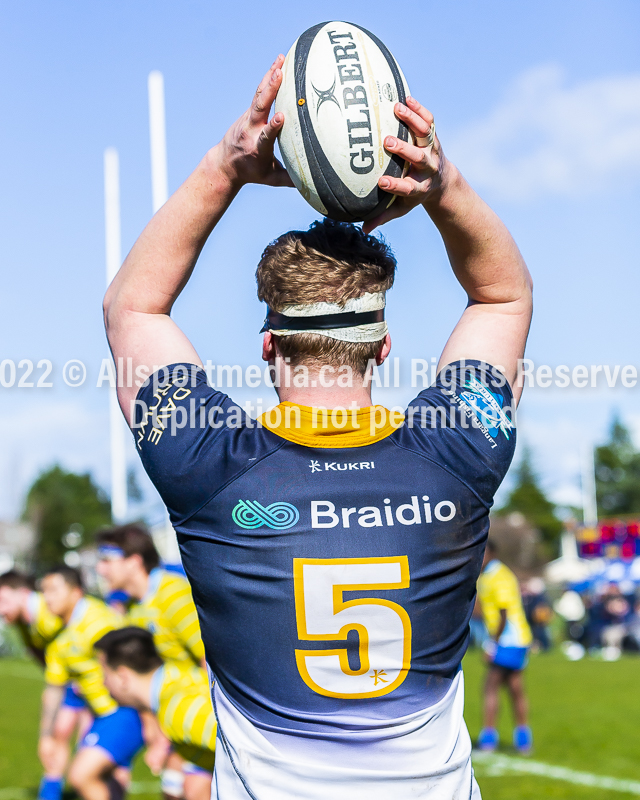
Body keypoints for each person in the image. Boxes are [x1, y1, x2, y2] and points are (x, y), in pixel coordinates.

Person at [103, 55, 532, 799]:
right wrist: (439, 184)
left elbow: (134, 309)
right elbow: (501, 298)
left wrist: (227, 166)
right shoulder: (459, 450)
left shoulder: (208, 463)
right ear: (383, 345)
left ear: (268, 345)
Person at [96, 524, 206, 792]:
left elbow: (212, 661)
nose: (101, 570)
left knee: (192, 790)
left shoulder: (174, 595)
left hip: (200, 717)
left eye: (108, 560)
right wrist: (154, 732)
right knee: (171, 791)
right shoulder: (134, 609)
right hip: (174, 721)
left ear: (134, 562)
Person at [41, 565, 144, 800]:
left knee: (81, 774)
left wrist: (149, 719)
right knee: (106, 780)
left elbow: (133, 668)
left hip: (125, 712)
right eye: (44, 591)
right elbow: (54, 688)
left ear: (76, 592)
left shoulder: (98, 623)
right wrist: (46, 736)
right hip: (103, 715)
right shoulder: (59, 638)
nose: (47, 597)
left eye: (54, 590)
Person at [0, 570, 92, 800]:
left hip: (91, 682)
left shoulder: (48, 612)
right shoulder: (23, 623)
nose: (1, 610)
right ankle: (51, 792)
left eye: (3, 601)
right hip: (68, 681)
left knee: (89, 744)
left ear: (22, 594)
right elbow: (45, 656)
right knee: (57, 736)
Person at [95, 626, 215, 800]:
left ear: (122, 677)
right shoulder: (178, 675)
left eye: (105, 674)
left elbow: (250, 746)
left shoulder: (175, 709)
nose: (103, 683)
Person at [476, 541, 533, 754]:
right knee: (515, 688)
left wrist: (492, 643)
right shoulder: (489, 575)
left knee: (491, 687)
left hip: (509, 639)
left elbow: (503, 612)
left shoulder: (498, 576)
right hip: (516, 639)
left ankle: (488, 739)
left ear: (492, 553)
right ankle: (523, 739)